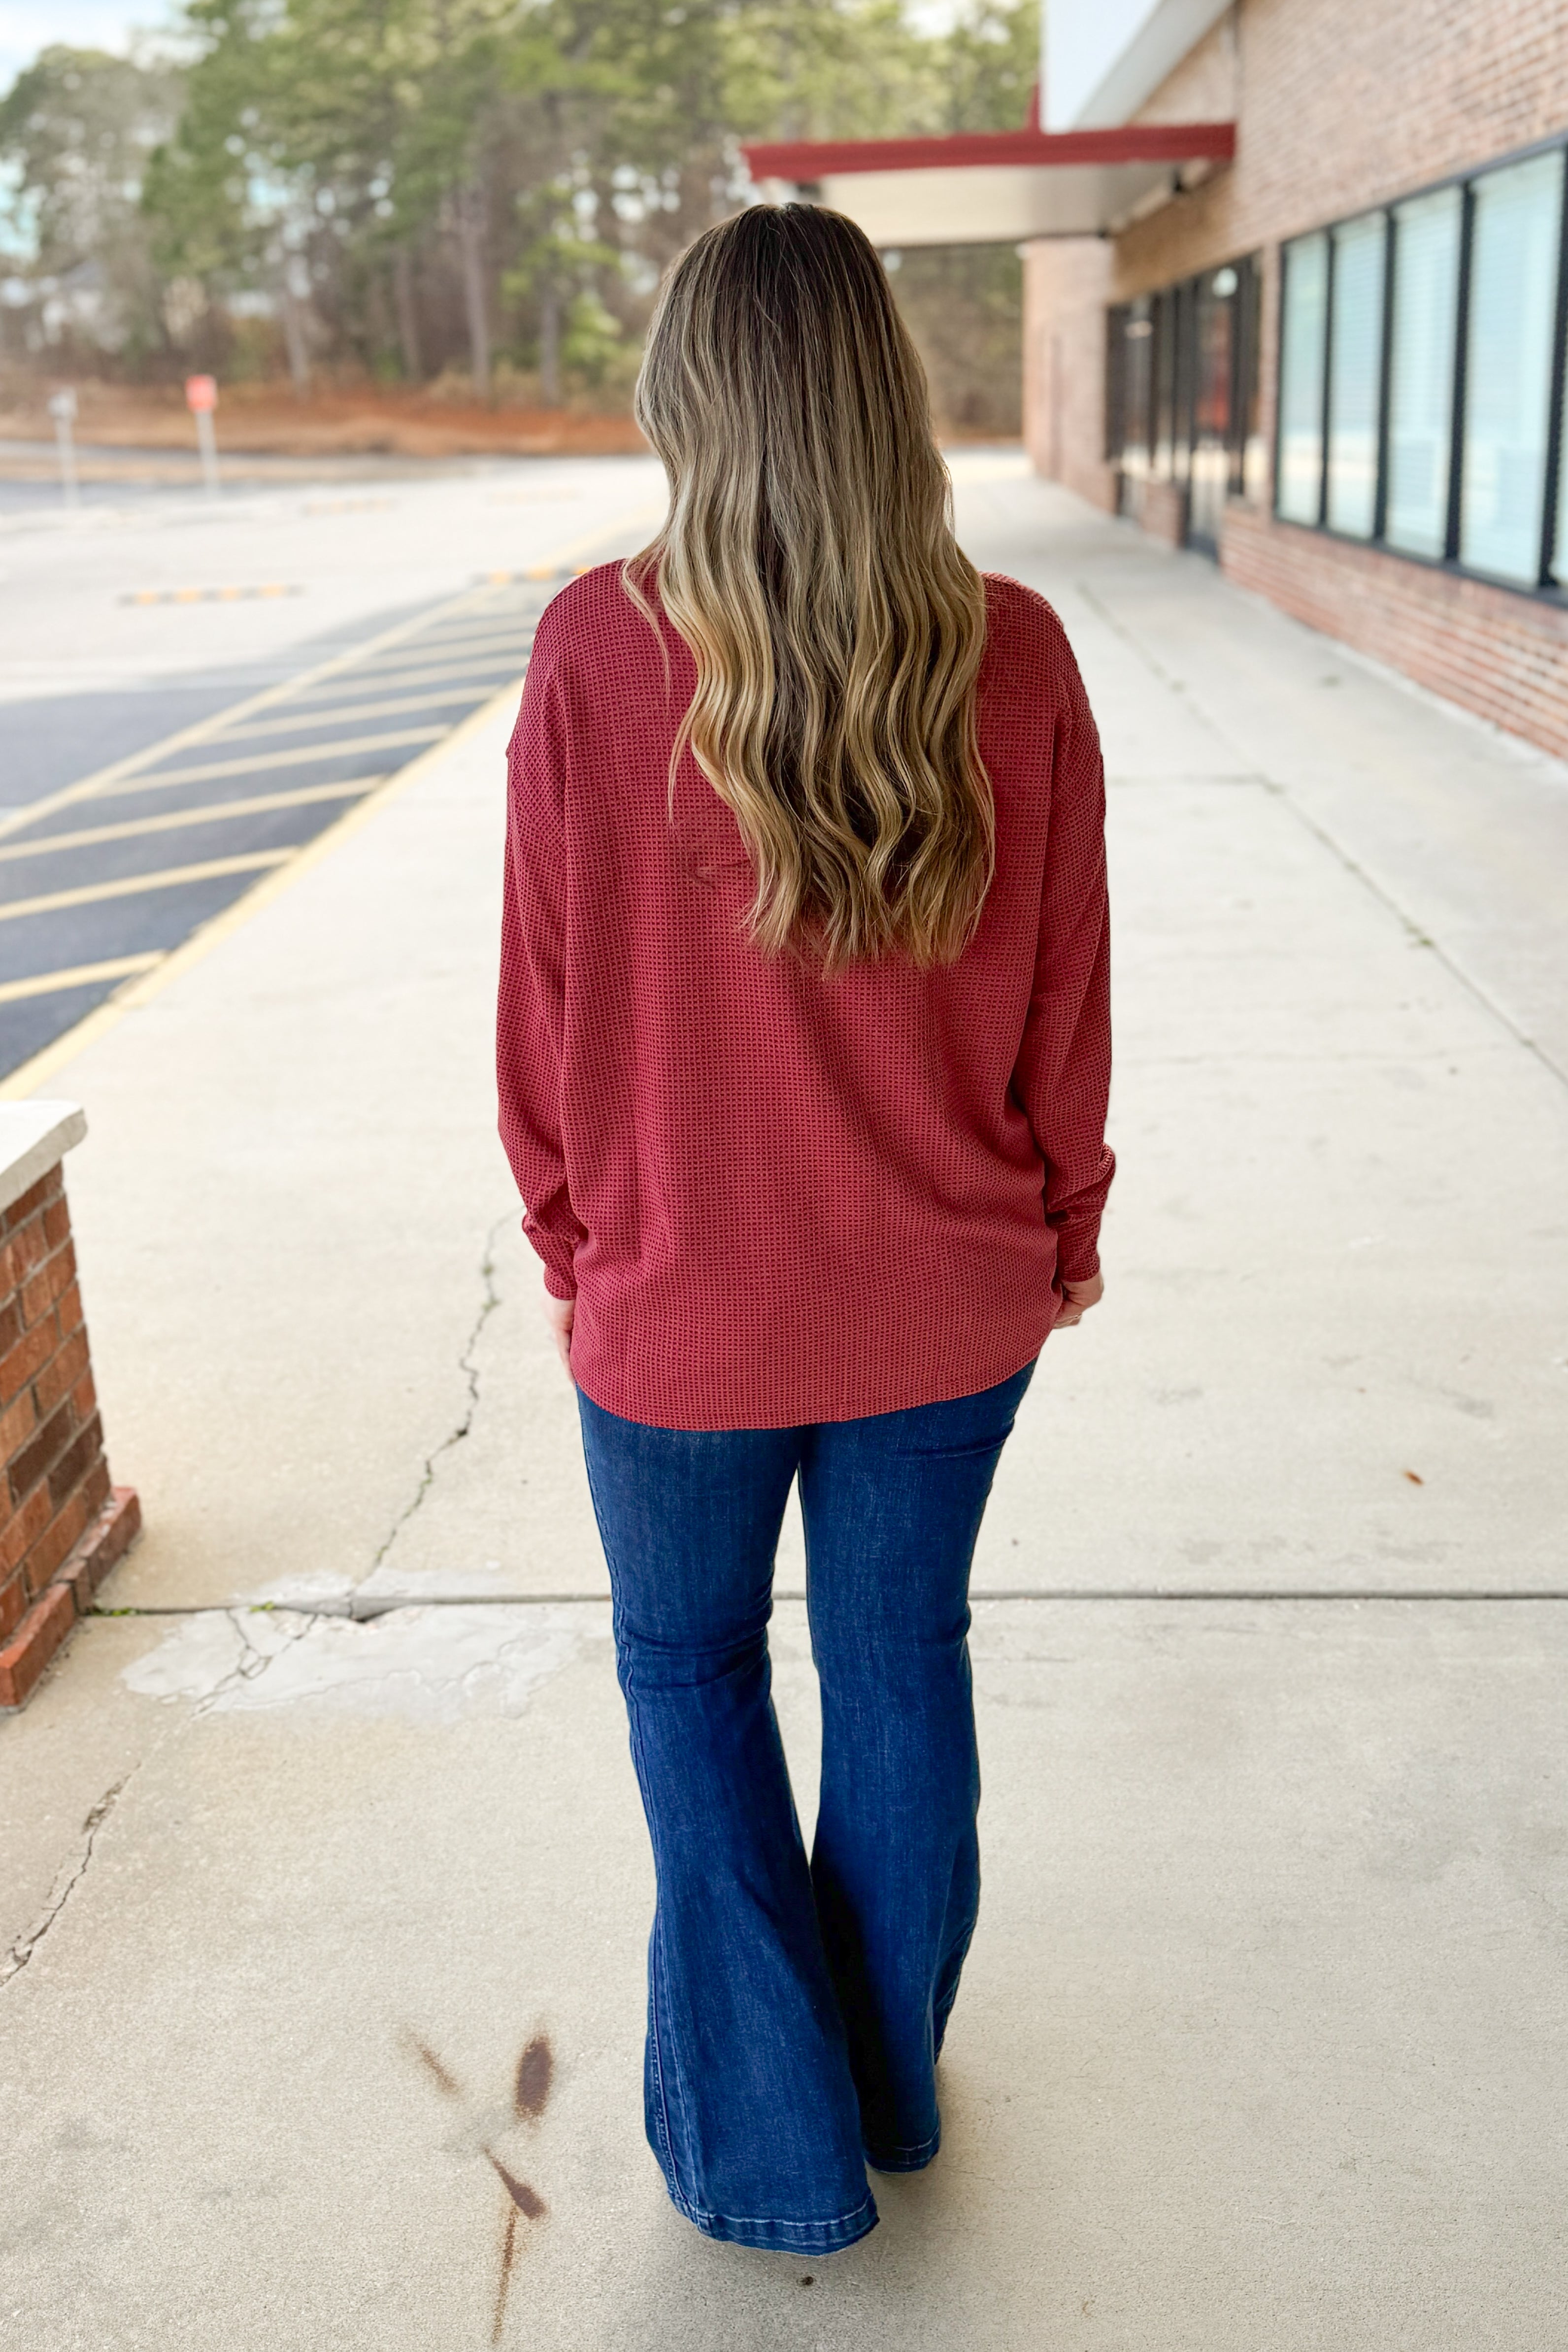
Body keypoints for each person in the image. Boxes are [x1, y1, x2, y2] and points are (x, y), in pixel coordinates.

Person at [497, 201, 1112, 2257]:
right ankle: (887, 2089)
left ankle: (773, 2153)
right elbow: (1064, 999)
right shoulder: (1009, 651)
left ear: (696, 396)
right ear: (884, 393)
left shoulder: (601, 642)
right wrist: (1062, 1221)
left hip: (684, 1308)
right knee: (897, 1663)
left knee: (689, 1673)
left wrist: (576, 1239)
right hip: (944, 1299)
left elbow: (545, 996)